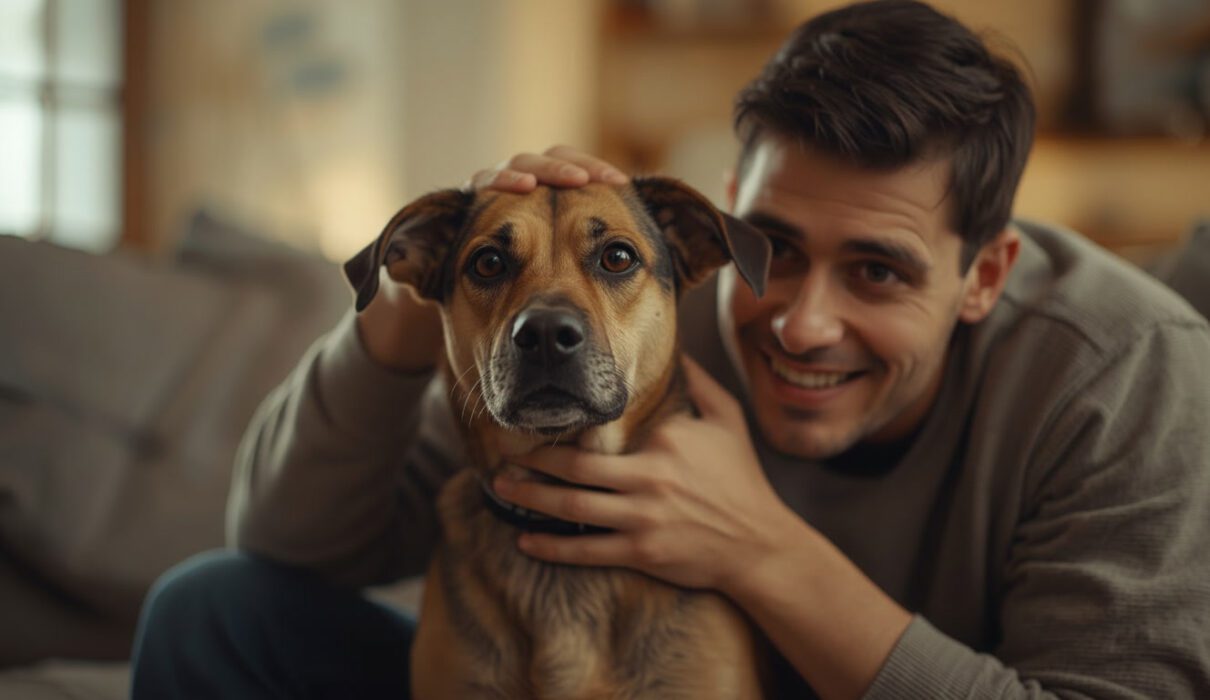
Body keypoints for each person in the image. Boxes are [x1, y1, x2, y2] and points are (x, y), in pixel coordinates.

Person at [131, 1, 1210, 697]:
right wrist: (444, 275)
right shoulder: (633, 286)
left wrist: (760, 549)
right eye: (771, 248)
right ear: (722, 222)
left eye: (876, 271)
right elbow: (290, 536)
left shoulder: (1126, 372)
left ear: (984, 273)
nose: (797, 320)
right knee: (212, 610)